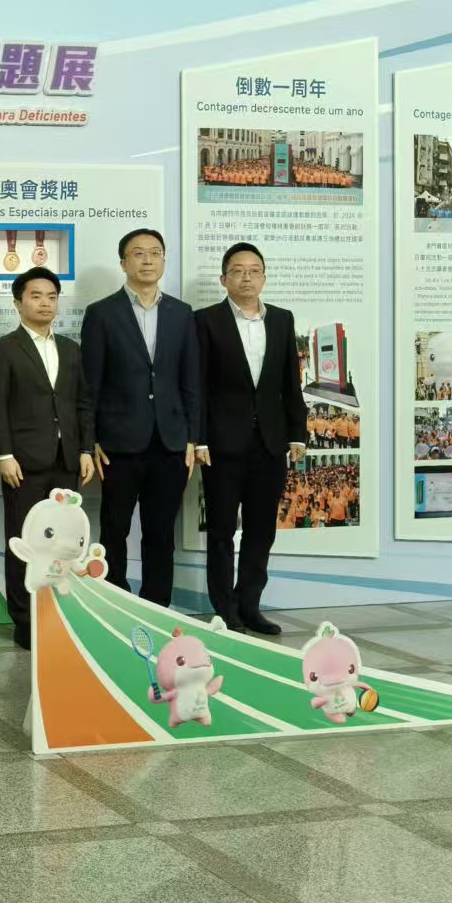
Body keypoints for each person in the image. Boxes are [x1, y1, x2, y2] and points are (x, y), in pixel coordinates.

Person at [80, 228, 200, 606]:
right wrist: (91, 440)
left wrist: (192, 438)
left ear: (163, 260)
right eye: (138, 253)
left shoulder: (181, 313)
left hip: (170, 442)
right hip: (117, 443)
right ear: (123, 263)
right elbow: (90, 384)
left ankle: (156, 608)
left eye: (155, 253)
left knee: (160, 533)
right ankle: (115, 603)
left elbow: (191, 381)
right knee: (114, 530)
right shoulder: (101, 313)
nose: (147, 260)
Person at [195, 243, 306, 635]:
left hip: (270, 443)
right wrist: (200, 439)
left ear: (264, 277)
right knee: (222, 532)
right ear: (223, 279)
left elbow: (291, 381)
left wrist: (297, 433)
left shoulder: (281, 319)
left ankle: (250, 606)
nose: (247, 277)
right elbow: (198, 385)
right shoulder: (205, 321)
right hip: (221, 445)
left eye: (254, 270)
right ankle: (225, 611)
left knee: (262, 531)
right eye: (238, 270)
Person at [0, 267, 95, 649]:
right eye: (36, 296)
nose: (45, 303)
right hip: (23, 463)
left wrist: (85, 449)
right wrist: (4, 455)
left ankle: (56, 617)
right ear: (18, 303)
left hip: (66, 461)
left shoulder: (71, 348)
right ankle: (24, 621)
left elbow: (82, 403)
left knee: (62, 544)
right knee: (24, 540)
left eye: (51, 296)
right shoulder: (4, 348)